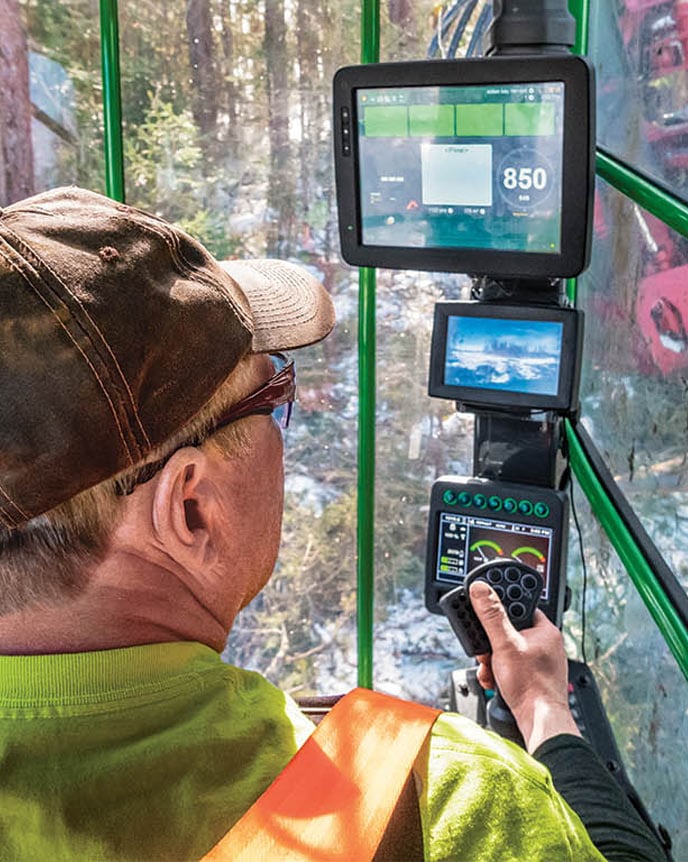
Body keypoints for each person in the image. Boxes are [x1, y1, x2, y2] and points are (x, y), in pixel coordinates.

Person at [0, 187, 665, 861]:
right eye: (273, 393)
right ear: (190, 509)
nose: (286, 418)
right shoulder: (451, 804)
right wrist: (548, 713)